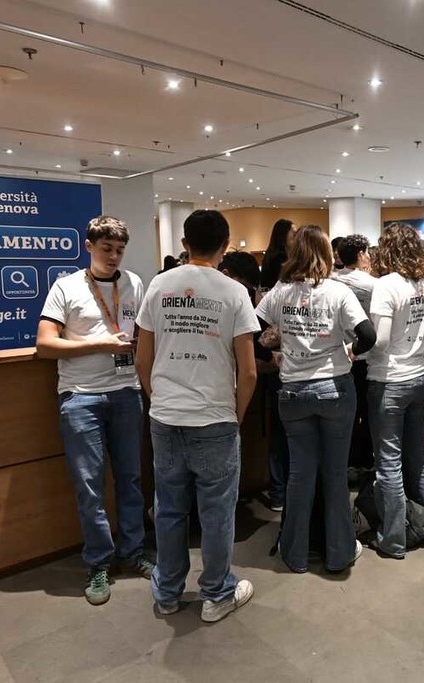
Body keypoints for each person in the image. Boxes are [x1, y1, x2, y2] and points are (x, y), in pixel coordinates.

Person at [135, 209, 260, 623]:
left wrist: (159, 399)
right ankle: (217, 593)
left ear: (185, 244)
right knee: (216, 512)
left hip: (166, 416)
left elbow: (142, 359)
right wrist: (235, 417)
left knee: (169, 508)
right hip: (215, 418)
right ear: (225, 245)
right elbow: (249, 371)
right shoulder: (234, 292)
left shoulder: (158, 285)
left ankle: (168, 592)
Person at [36, 215, 153, 606]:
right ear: (88, 247)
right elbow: (45, 345)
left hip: (126, 393)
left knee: (131, 480)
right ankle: (99, 562)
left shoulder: (134, 283)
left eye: (119, 250)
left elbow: (143, 334)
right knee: (90, 486)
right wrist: (101, 345)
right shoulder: (65, 287)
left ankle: (133, 552)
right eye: (106, 249)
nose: (114, 256)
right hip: (81, 397)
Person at [256, 226, 376, 573]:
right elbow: (368, 334)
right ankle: (339, 554)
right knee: (335, 475)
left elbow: (251, 330)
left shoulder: (280, 292)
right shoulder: (338, 292)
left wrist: (272, 355)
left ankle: (294, 555)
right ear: (326, 254)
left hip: (293, 390)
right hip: (334, 387)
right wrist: (352, 351)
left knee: (299, 474)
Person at [367, 223, 424, 559]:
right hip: (420, 379)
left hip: (389, 380)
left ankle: (393, 539)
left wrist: (353, 350)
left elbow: (379, 341)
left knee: (388, 462)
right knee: (419, 455)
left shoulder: (386, 285)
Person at [257, 218, 295, 510]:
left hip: (279, 360)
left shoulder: (272, 272)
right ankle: (288, 493)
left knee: (281, 433)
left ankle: (281, 492)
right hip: (288, 362)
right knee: (290, 434)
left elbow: (257, 326)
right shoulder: (283, 273)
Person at [333, 234, 377, 471]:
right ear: (361, 254)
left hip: (338, 355)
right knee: (367, 413)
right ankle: (365, 460)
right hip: (366, 354)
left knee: (345, 413)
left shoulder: (330, 281)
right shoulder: (373, 285)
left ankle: (347, 460)